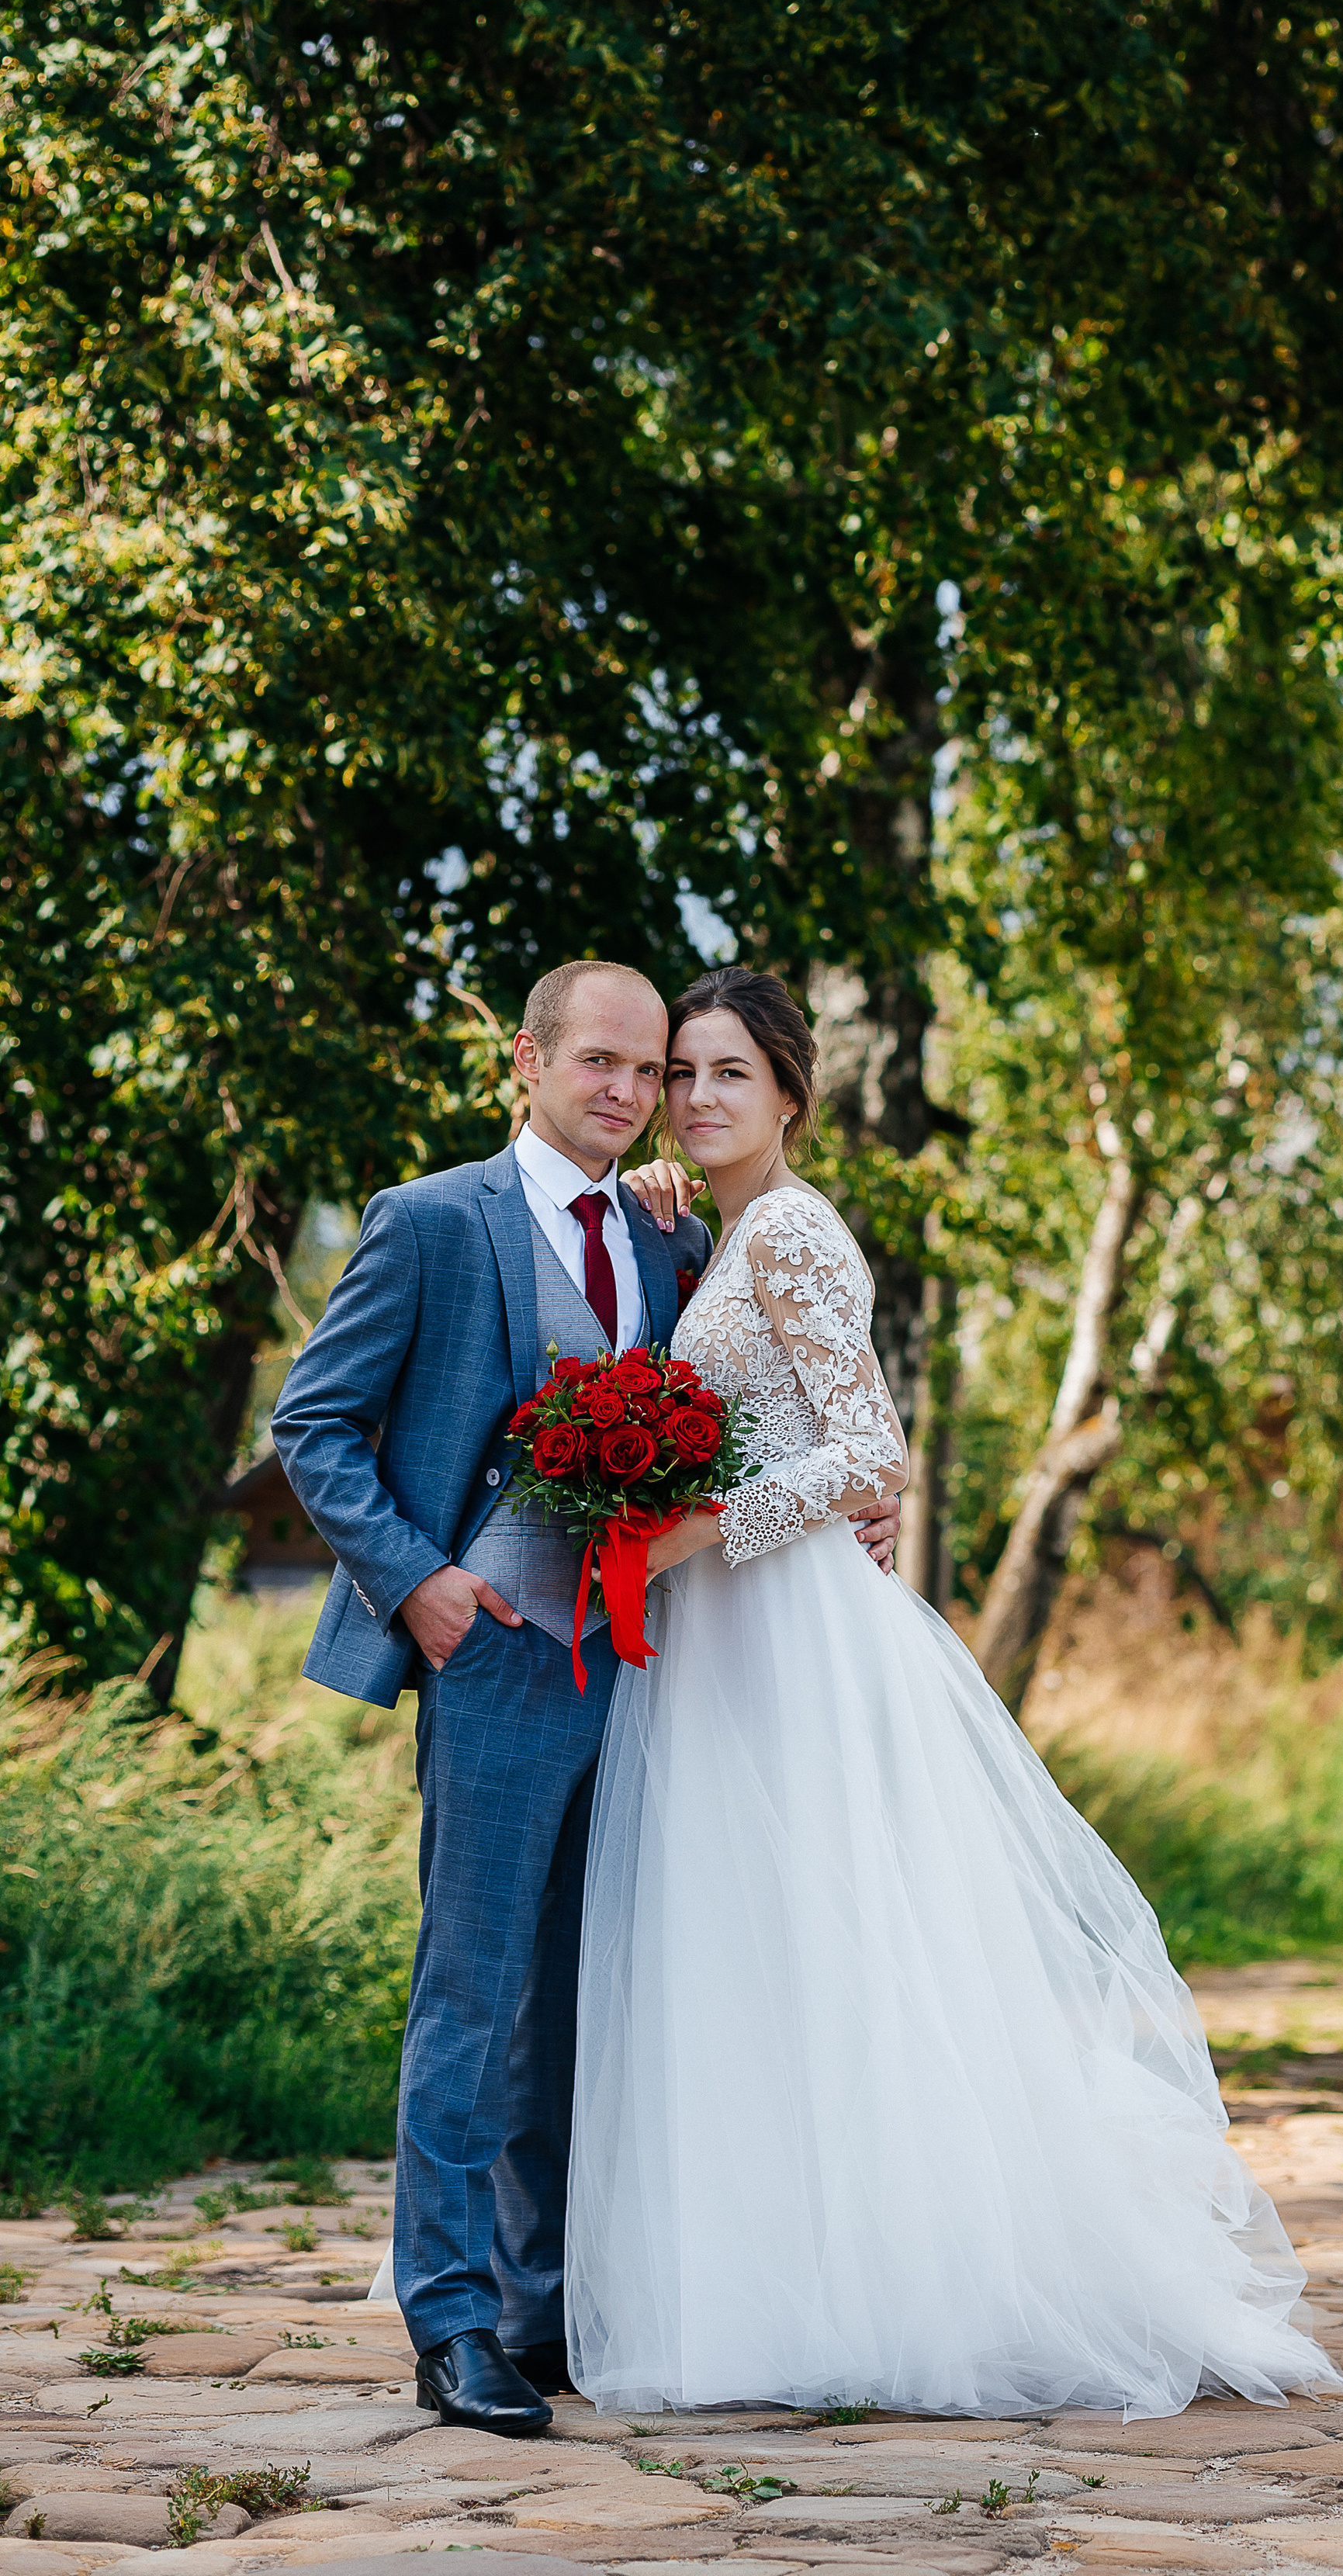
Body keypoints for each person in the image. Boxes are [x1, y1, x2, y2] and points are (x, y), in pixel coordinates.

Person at [567, 964, 1334, 2420]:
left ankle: (911, 2285)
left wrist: (687, 1533)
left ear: (794, 1095)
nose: (700, 1098)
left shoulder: (789, 1233)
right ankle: (775, 2285)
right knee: (754, 1967)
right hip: (726, 1642)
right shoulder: (719, 1232)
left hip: (785, 1633)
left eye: (733, 1074)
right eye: (683, 1076)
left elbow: (872, 1458)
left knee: (837, 1954)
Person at [272, 959, 901, 2438]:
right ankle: (451, 2319)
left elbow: (787, 1412)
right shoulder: (434, 1221)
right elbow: (313, 1422)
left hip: (662, 1667)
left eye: (657, 1070)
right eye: (609, 1064)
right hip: (496, 1652)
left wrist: (851, 1510)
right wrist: (416, 1581)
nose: (635, 1092)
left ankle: (550, 2306)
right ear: (532, 1062)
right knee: (476, 1990)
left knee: (593, 2000)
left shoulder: (677, 1232)